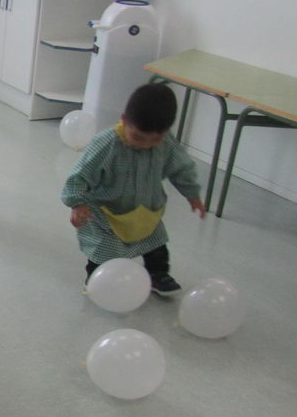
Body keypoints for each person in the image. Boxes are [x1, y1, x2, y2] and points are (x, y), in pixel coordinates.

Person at [62, 83, 206, 295]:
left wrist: (191, 193)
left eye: (154, 139)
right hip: (106, 213)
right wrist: (77, 203)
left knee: (155, 243)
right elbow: (80, 174)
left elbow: (181, 166)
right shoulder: (106, 143)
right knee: (104, 250)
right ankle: (97, 279)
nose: (146, 145)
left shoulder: (165, 143)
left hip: (146, 210)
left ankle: (157, 275)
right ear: (124, 119)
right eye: (138, 137)